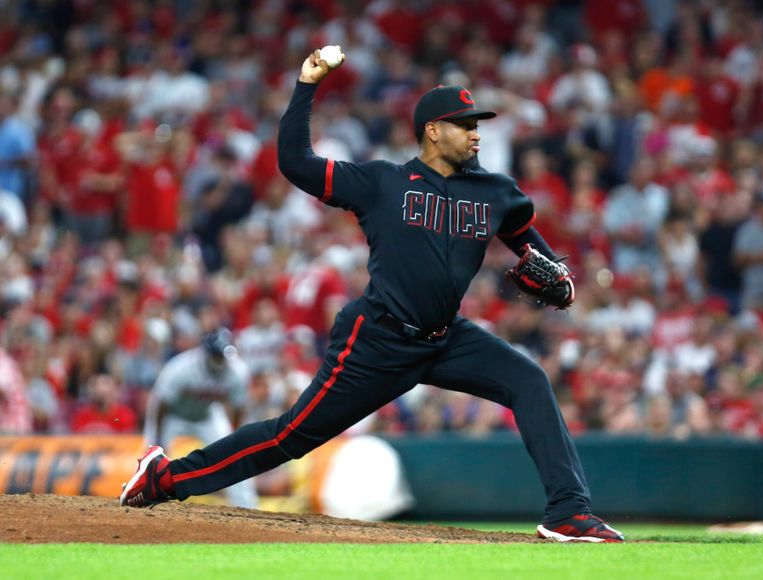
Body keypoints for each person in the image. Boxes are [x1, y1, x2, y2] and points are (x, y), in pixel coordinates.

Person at [120, 48, 624, 543]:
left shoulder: (497, 192)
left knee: (529, 380)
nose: (476, 133)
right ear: (432, 130)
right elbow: (296, 163)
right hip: (379, 338)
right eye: (465, 124)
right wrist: (307, 85)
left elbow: (534, 249)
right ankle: (164, 477)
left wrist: (560, 277)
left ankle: (568, 513)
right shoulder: (383, 181)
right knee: (289, 436)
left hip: (447, 338)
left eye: (478, 124)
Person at [140, 327, 258, 509]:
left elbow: (239, 407)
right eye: (216, 355)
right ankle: (143, 500)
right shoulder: (182, 367)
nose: (220, 360)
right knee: (153, 457)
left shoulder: (237, 371)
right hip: (173, 415)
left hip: (207, 415)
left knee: (234, 456)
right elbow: (161, 404)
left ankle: (248, 506)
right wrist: (157, 438)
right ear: (205, 352)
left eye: (223, 355)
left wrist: (234, 437)